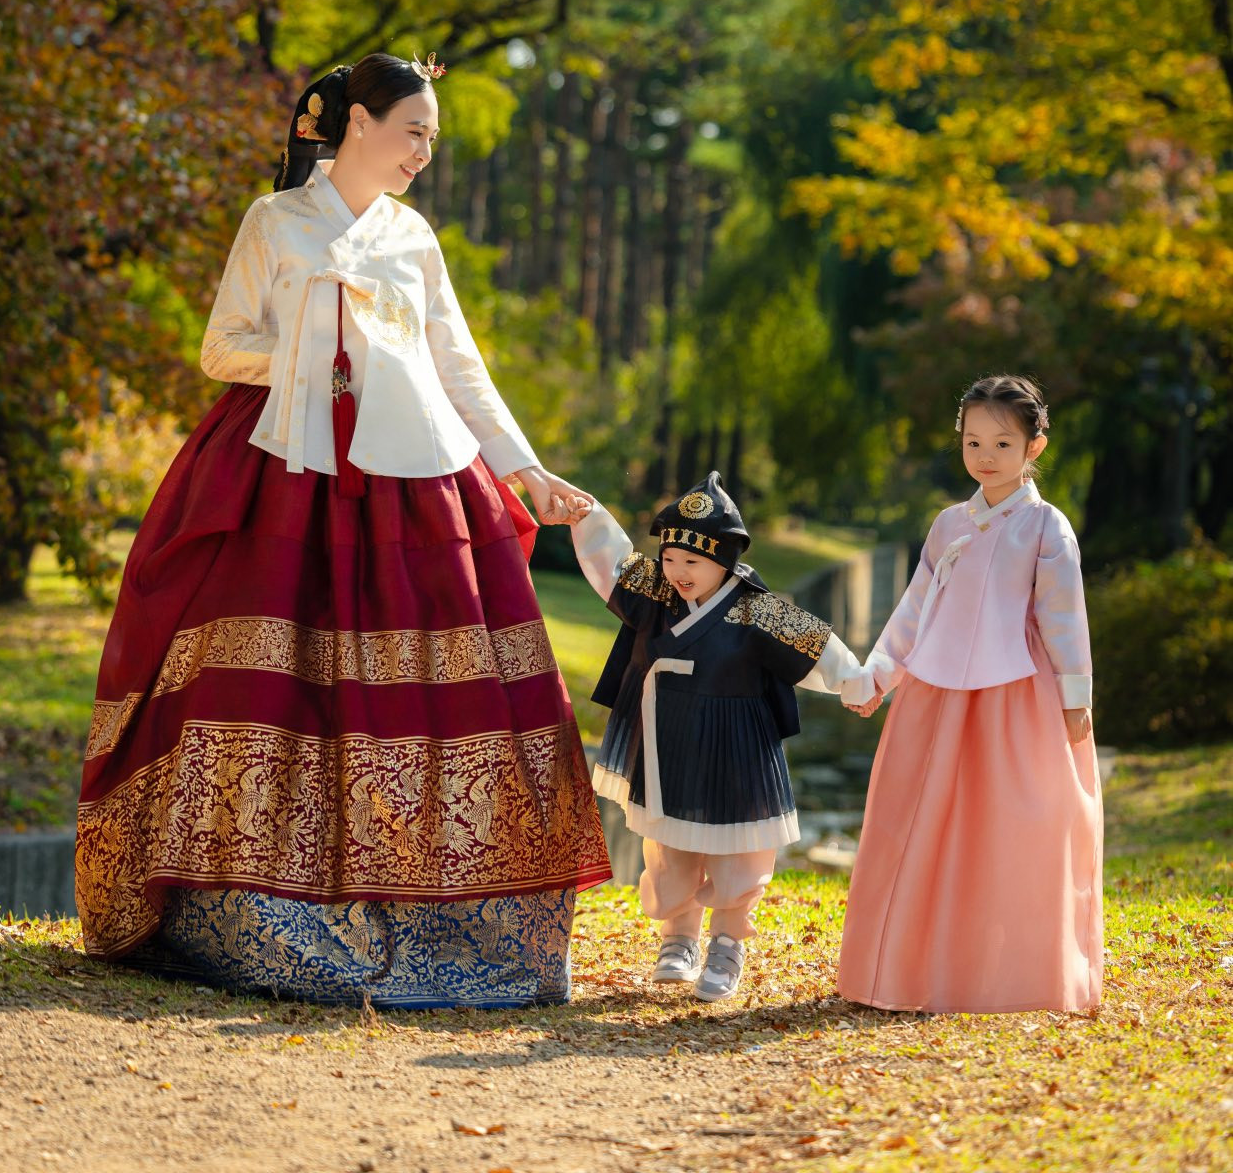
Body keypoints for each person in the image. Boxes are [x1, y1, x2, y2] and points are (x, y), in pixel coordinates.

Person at [76, 53, 611, 1008]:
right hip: (280, 471)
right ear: (356, 122)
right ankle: (243, 921)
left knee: (421, 690)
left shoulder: (413, 238)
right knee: (267, 682)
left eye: (433, 140)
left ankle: (438, 921)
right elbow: (221, 347)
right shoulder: (275, 221)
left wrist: (523, 468)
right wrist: (324, 343)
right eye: (414, 131)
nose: (423, 154)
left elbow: (457, 364)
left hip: (406, 480)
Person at [837, 373, 1103, 1014]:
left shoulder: (1045, 527)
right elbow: (916, 607)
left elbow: (1064, 617)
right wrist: (878, 674)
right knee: (922, 824)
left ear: (1035, 447)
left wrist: (1074, 699)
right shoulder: (949, 522)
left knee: (1016, 826)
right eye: (974, 441)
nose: (986, 457)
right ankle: (909, 969)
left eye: (1003, 444)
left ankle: (1015, 974)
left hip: (1016, 697)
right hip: (935, 697)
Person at [570, 471, 869, 1003]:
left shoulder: (757, 609)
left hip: (738, 747)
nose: (678, 572)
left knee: (739, 849)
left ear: (725, 561)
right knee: (668, 843)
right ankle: (678, 938)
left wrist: (857, 683)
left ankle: (728, 942)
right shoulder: (654, 595)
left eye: (693, 562)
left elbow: (817, 644)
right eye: (670, 559)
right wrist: (586, 513)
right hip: (668, 742)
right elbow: (612, 561)